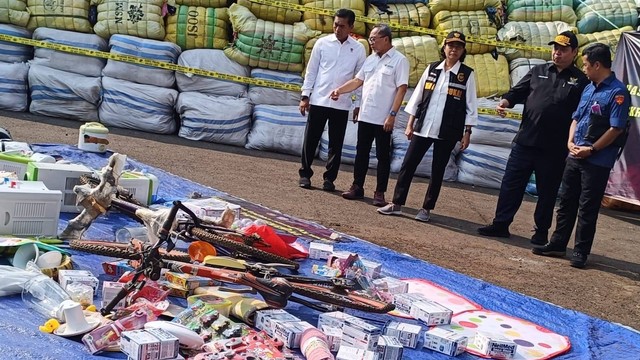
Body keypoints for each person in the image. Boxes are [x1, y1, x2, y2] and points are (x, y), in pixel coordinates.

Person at [477, 31, 588, 244]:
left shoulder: (580, 81)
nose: (557, 53)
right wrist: (505, 102)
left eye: (563, 50)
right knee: (511, 184)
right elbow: (517, 91)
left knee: (547, 192)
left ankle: (541, 231)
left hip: (553, 148)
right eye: (555, 48)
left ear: (574, 52)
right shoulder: (538, 71)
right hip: (525, 141)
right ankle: (501, 224)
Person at [532, 43, 630, 268]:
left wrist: (593, 149)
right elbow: (576, 118)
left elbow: (616, 129)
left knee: (587, 207)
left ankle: (580, 251)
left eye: (586, 65)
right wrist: (570, 141)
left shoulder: (617, 93)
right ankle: (557, 243)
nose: (583, 69)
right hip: (575, 155)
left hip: (596, 160)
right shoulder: (588, 88)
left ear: (597, 65)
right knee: (566, 202)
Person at [376, 31, 477, 221]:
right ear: (444, 47)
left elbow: (471, 106)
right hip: (423, 127)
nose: (453, 49)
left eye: (458, 46)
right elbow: (417, 98)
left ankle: (426, 209)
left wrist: (467, 132)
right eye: (450, 45)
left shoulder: (467, 75)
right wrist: (410, 124)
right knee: (408, 164)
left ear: (463, 50)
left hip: (447, 130)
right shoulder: (432, 69)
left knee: (438, 170)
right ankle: (396, 204)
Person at [329, 24, 409, 206]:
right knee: (361, 153)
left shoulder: (399, 60)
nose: (371, 42)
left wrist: (392, 114)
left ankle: (380, 192)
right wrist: (339, 90)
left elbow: (402, 89)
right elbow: (359, 81)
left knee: (383, 156)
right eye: (371, 39)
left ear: (386, 39)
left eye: (374, 39)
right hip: (366, 115)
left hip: (383, 118)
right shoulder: (370, 59)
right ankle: (357, 186)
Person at [298, 9, 366, 191]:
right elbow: (311, 71)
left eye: (342, 26)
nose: (337, 29)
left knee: (336, 143)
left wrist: (357, 104)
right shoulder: (322, 43)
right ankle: (305, 174)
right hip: (319, 99)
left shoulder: (358, 49)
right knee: (310, 139)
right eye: (335, 24)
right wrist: (305, 96)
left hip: (341, 104)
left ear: (351, 27)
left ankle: (329, 179)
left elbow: (359, 80)